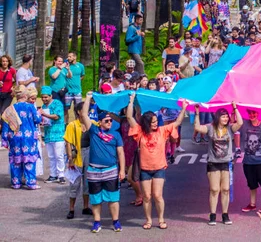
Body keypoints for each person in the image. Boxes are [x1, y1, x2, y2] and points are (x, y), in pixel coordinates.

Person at [126, 92, 188, 230]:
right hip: (145, 170)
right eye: (153, 122)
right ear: (147, 123)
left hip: (159, 168)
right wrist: (131, 101)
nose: (156, 123)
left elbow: (177, 122)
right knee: (147, 196)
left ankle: (161, 219)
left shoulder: (162, 130)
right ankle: (148, 220)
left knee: (157, 195)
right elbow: (129, 117)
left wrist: (183, 108)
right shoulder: (140, 132)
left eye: (156, 121)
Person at [80, 92, 126, 232]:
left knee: (113, 198)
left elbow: (120, 153)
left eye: (110, 121)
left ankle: (116, 221)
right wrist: (87, 98)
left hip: (111, 170)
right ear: (99, 122)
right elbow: (83, 115)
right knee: (96, 199)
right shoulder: (93, 131)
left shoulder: (116, 134)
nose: (110, 123)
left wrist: (122, 170)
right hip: (94, 171)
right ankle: (97, 222)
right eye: (106, 121)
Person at [194, 103, 244, 225]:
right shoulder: (211, 128)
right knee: (214, 189)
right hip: (213, 163)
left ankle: (225, 215)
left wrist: (235, 108)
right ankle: (212, 215)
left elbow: (240, 123)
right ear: (217, 118)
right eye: (223, 116)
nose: (226, 118)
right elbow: (197, 127)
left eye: (227, 116)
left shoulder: (230, 128)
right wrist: (196, 113)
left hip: (226, 162)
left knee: (226, 189)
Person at [1, 86, 41, 189]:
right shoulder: (30, 107)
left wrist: (5, 138)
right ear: (25, 95)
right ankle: (31, 183)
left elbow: (5, 124)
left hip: (15, 138)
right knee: (29, 160)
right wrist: (40, 114)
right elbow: (37, 120)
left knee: (16, 160)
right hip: (29, 138)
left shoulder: (10, 109)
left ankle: (16, 183)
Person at [64, 101, 93, 219]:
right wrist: (70, 158)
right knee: (74, 183)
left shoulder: (91, 123)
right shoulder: (72, 125)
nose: (88, 111)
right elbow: (68, 142)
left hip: (89, 154)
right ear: (79, 112)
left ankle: (85, 207)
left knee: (87, 182)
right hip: (77, 156)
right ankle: (71, 209)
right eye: (85, 109)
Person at [40, 86, 66, 184]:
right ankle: (53, 175)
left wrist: (44, 115)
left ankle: (61, 175)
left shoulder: (57, 103)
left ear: (51, 96)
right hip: (48, 133)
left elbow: (56, 116)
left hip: (58, 133)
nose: (44, 99)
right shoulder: (43, 107)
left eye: (46, 97)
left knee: (59, 155)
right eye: (42, 97)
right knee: (51, 156)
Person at [65, 52, 85, 121]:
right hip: (68, 91)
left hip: (78, 91)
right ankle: (66, 124)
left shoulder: (80, 66)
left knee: (77, 109)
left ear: (75, 57)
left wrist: (77, 81)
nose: (68, 58)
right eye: (68, 56)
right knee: (66, 109)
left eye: (70, 56)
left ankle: (77, 124)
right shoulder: (66, 66)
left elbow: (82, 75)